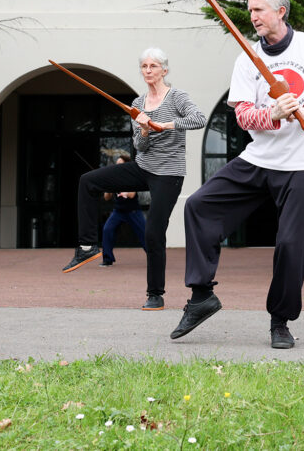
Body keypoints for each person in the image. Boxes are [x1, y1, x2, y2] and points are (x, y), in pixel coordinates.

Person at [171, 0, 304, 349]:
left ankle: (280, 320)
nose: (252, 16)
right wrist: (272, 113)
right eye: (250, 10)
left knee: (290, 243)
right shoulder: (247, 58)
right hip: (259, 159)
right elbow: (242, 115)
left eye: (258, 9)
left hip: (303, 163)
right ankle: (202, 295)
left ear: (280, 12)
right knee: (198, 206)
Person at [63, 48, 206, 311]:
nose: (148, 70)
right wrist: (143, 129)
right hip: (143, 167)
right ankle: (87, 246)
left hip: (168, 173)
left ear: (164, 69)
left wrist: (166, 125)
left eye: (154, 66)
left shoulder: (177, 97)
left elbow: (199, 119)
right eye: (144, 66)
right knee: (88, 181)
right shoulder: (138, 104)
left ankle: (155, 294)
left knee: (153, 232)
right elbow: (140, 147)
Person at [99, 155, 147, 267]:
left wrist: (123, 191)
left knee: (145, 234)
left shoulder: (131, 177)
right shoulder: (114, 178)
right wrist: (108, 187)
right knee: (107, 230)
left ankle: (154, 257)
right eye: (117, 164)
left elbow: (132, 194)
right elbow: (107, 197)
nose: (118, 166)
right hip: (118, 212)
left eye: (120, 163)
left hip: (133, 211)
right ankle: (107, 259)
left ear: (126, 164)